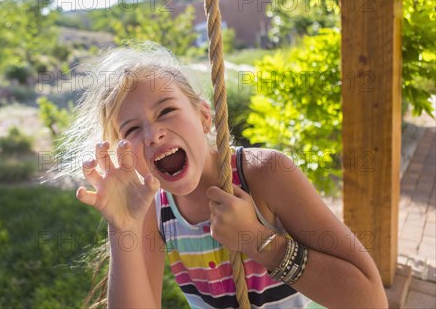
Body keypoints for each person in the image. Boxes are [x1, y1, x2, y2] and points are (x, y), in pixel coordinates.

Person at [60, 42, 387, 308]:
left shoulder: (266, 174)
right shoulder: (150, 210)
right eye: (131, 129)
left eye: (167, 110)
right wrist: (123, 228)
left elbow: (370, 300)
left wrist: (258, 240)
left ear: (204, 116)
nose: (153, 134)